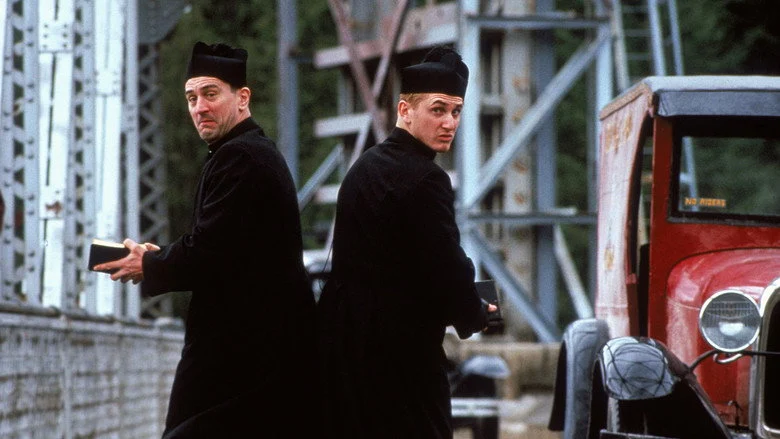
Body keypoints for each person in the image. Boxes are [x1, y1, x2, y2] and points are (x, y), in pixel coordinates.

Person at [94, 42, 317, 438]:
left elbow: (210, 252)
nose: (199, 107)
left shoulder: (241, 158)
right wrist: (159, 258)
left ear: (242, 98)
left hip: (243, 361)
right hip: (252, 356)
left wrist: (148, 264)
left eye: (210, 94)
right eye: (191, 98)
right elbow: (226, 247)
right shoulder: (241, 153)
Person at [317, 46, 496, 438]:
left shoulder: (364, 167)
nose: (449, 122)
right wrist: (475, 312)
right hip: (400, 363)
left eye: (456, 111)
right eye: (438, 110)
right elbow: (445, 267)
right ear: (405, 110)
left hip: (343, 359)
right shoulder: (427, 179)